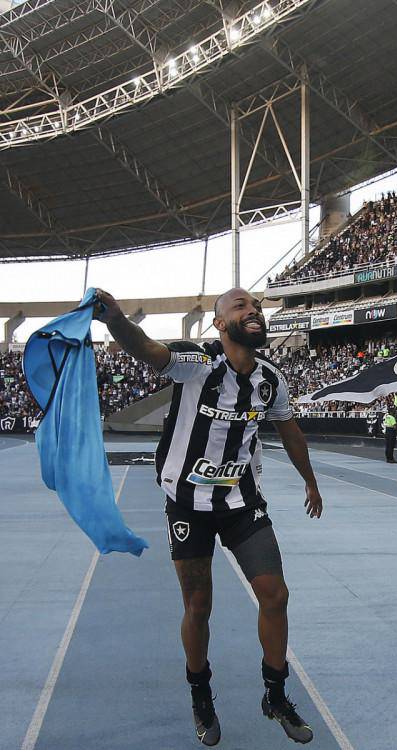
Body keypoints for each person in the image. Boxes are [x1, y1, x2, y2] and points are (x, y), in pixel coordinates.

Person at [93, 287, 323, 746]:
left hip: (242, 504)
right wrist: (116, 318)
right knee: (199, 607)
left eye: (255, 306)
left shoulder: (271, 379)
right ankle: (201, 694)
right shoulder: (197, 362)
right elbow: (146, 348)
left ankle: (275, 696)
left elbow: (291, 433)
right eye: (240, 306)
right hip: (188, 506)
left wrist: (310, 481)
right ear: (219, 323)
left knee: (275, 595)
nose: (252, 310)